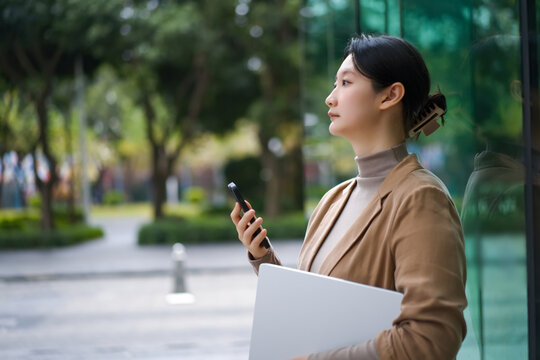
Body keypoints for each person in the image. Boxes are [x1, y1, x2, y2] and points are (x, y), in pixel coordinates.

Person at [230, 33, 467, 360]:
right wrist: (265, 260)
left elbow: (431, 339)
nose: (330, 98)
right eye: (334, 84)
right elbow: (323, 306)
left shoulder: (421, 198)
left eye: (345, 82)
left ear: (390, 95)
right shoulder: (333, 199)